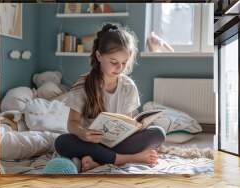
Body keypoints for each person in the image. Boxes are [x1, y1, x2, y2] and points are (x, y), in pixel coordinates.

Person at [55, 24, 165, 172]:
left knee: (158, 133)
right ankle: (128, 159)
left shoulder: (128, 86)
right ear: (99, 56)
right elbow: (72, 123)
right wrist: (83, 133)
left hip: (118, 143)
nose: (119, 68)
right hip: (91, 142)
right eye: (114, 62)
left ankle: (98, 161)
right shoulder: (83, 84)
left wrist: (136, 127)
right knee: (62, 142)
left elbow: (127, 123)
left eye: (124, 63)